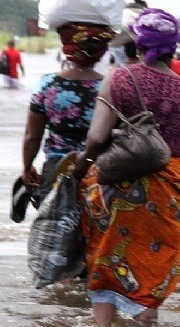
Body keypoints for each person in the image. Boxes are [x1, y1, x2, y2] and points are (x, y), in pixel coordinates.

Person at [70, 8, 180, 327]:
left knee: (106, 264)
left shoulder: (121, 78)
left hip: (117, 184)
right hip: (166, 192)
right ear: (174, 47)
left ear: (138, 44)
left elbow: (97, 138)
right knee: (151, 268)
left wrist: (79, 171)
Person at [22, 23, 114, 207]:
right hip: (98, 170)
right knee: (96, 231)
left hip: (57, 168)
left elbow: (32, 137)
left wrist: (26, 167)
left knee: (52, 230)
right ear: (101, 52)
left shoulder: (48, 84)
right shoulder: (111, 86)